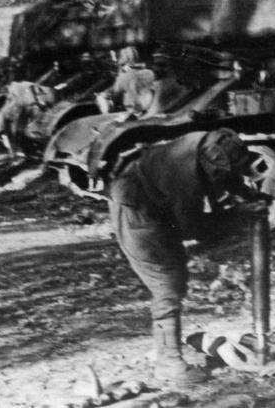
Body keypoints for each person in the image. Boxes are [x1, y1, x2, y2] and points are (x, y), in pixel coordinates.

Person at [107, 128, 255, 388]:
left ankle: (165, 345)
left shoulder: (207, 145)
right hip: (136, 213)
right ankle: (168, 361)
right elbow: (192, 228)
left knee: (176, 276)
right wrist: (238, 216)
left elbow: (225, 175)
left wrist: (249, 194)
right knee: (167, 283)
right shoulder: (183, 176)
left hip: (152, 203)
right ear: (208, 162)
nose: (220, 176)